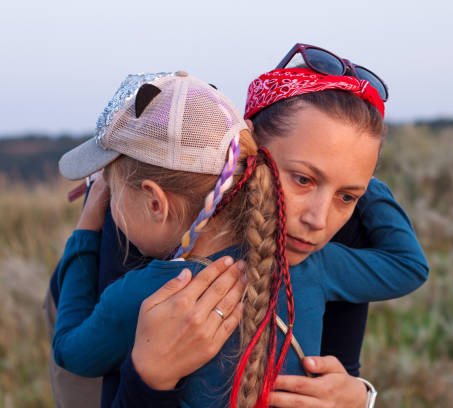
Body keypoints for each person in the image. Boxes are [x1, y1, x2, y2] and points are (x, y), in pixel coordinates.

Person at [53, 64, 427, 407]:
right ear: (251, 152)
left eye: (348, 195)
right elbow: (407, 266)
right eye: (303, 178)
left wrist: (86, 227)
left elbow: (71, 351)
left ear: (153, 200)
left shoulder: (141, 290)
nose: (318, 219)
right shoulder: (318, 265)